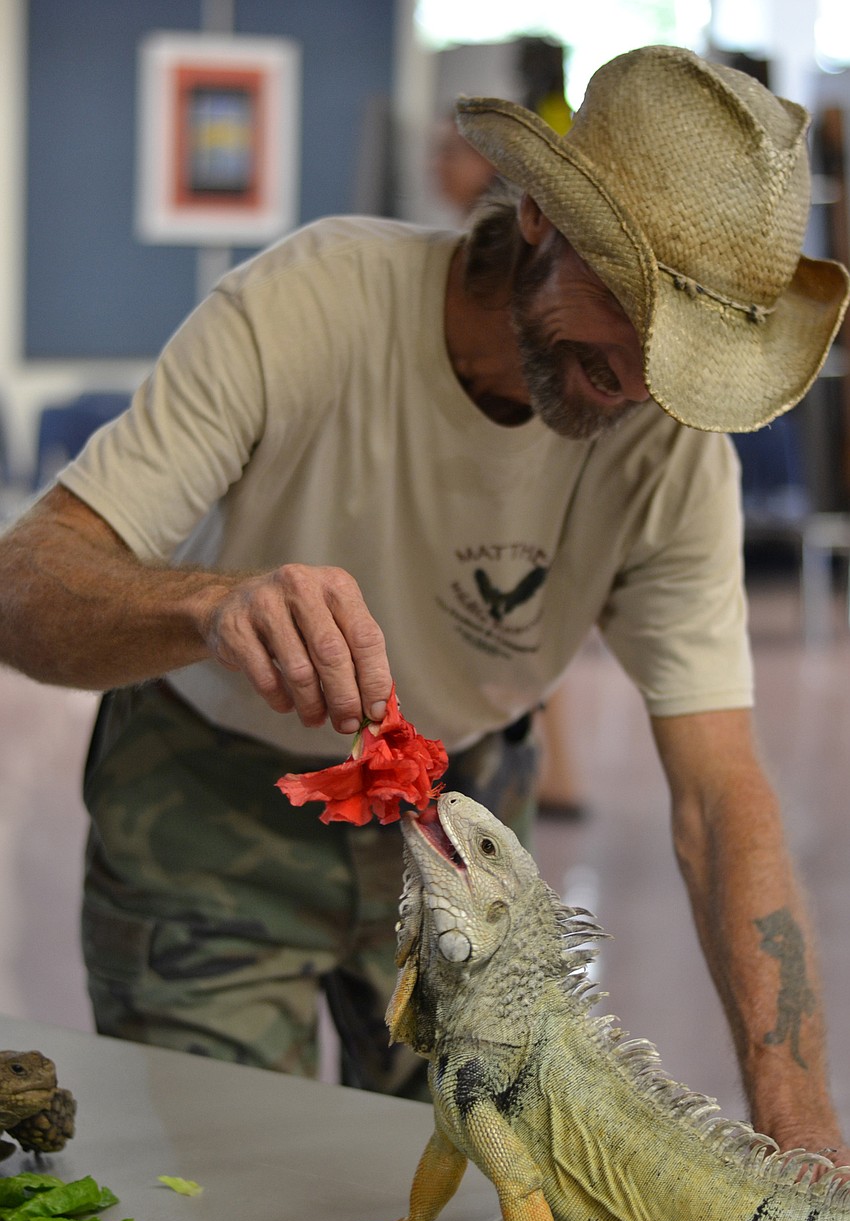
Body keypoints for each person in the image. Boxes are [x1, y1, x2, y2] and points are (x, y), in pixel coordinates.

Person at [0, 45, 847, 1160]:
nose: (642, 379)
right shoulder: (313, 304)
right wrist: (211, 606)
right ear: (538, 214)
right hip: (210, 801)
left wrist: (801, 1134)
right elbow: (26, 584)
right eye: (627, 309)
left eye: (688, 349)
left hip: (464, 823)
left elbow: (718, 793)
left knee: (463, 1176)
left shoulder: (670, 444)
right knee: (231, 1184)